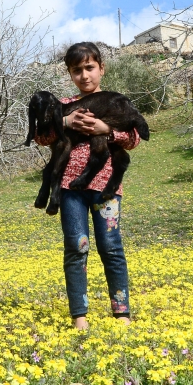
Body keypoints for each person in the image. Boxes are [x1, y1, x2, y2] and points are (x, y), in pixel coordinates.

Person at [34, 42, 142, 330]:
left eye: (90, 68)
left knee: (111, 248)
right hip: (70, 188)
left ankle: (121, 313)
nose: (84, 75)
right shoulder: (65, 106)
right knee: (77, 247)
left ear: (102, 68)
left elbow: (134, 139)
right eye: (77, 70)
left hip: (106, 186)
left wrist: (107, 130)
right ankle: (79, 316)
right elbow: (42, 138)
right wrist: (66, 121)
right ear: (70, 74)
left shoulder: (115, 102)